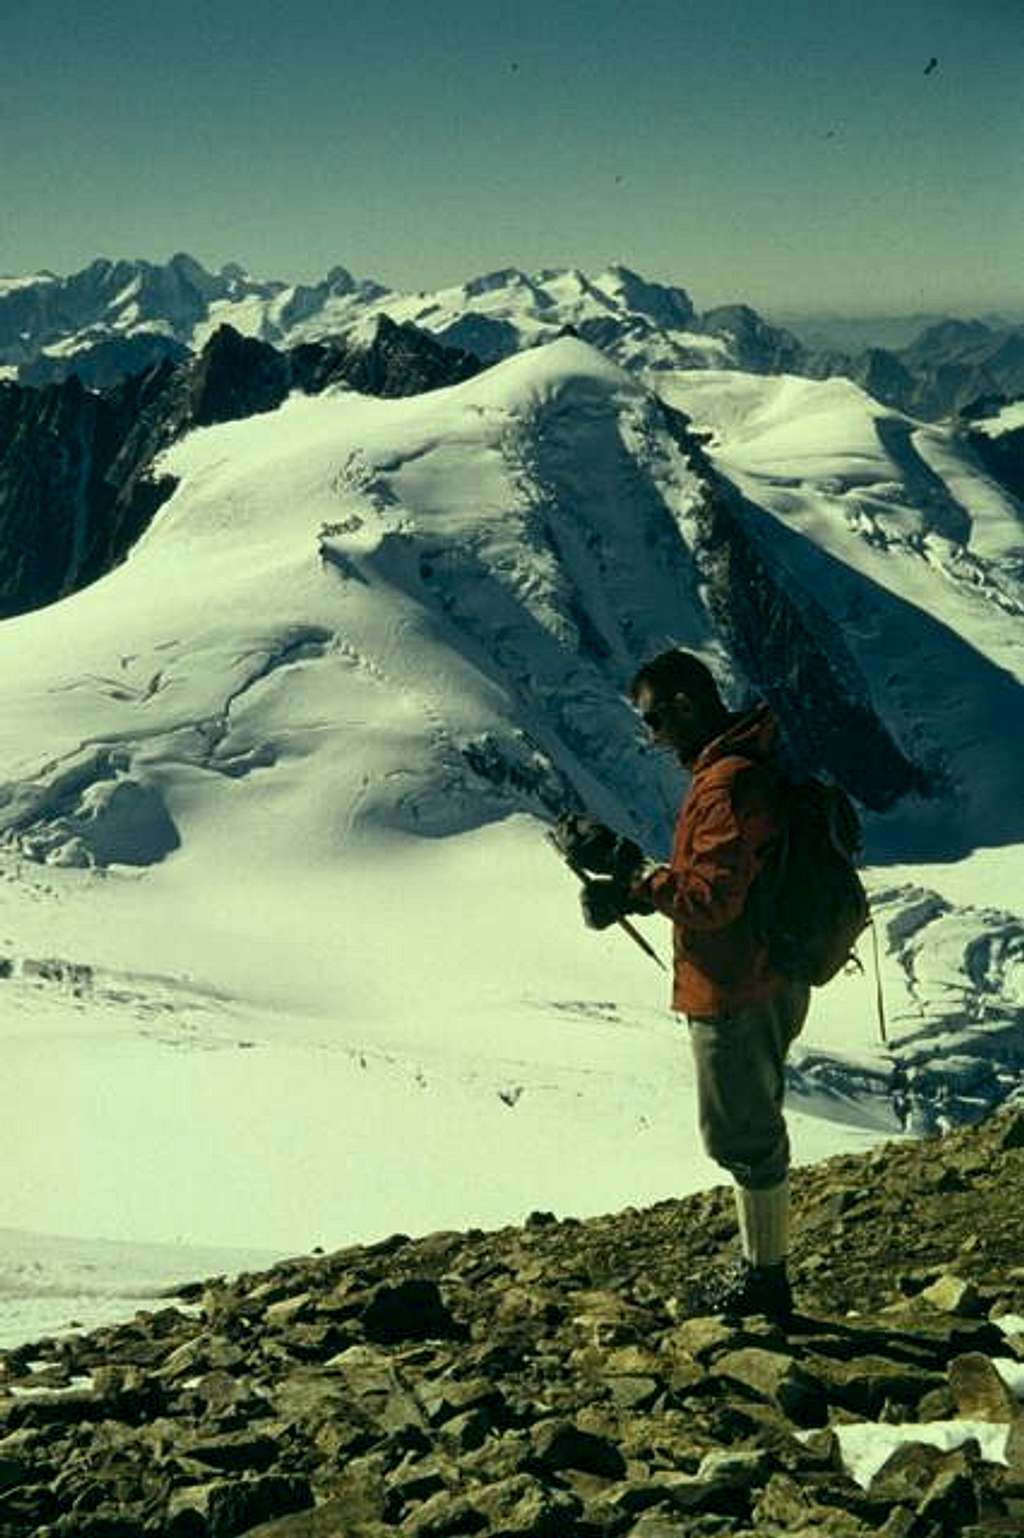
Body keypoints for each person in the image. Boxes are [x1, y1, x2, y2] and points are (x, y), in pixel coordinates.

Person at [554, 649, 808, 1323]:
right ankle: (764, 1270)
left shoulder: (725, 784)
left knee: (742, 1136)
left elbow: (713, 900)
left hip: (735, 984)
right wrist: (636, 893)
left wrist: (632, 871)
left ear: (688, 705)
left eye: (656, 718)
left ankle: (767, 1281)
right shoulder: (744, 765)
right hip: (763, 970)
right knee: (749, 1128)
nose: (654, 735)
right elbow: (727, 883)